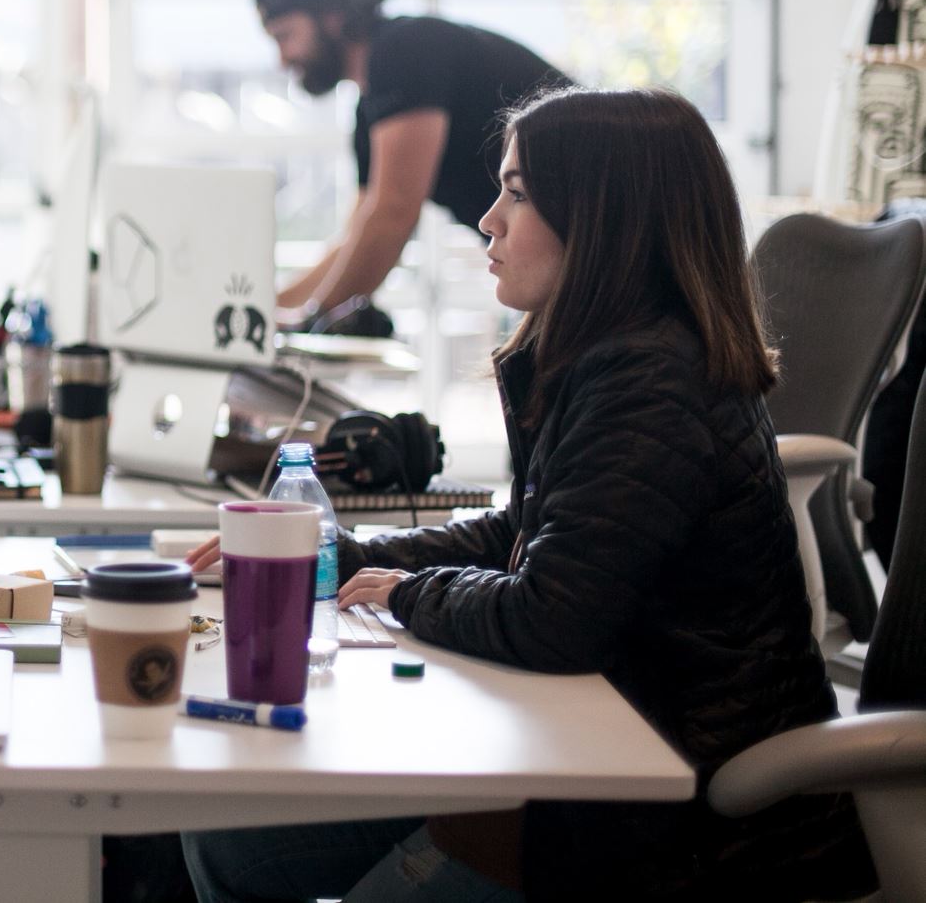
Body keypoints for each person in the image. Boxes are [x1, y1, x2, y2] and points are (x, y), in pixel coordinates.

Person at [182, 86, 875, 902]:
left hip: (675, 830)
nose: (488, 220)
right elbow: (528, 530)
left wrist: (407, 592)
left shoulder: (652, 382)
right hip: (592, 761)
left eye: (516, 193)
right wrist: (342, 556)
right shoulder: (617, 355)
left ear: (602, 219)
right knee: (217, 830)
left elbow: (553, 616)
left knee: (227, 834)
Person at [255, 0, 570, 328]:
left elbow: (394, 211)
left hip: (609, 251)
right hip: (567, 266)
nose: (282, 58)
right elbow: (358, 236)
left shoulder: (402, 51)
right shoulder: (370, 109)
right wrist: (268, 314)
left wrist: (311, 319)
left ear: (331, 17)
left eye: (285, 36)